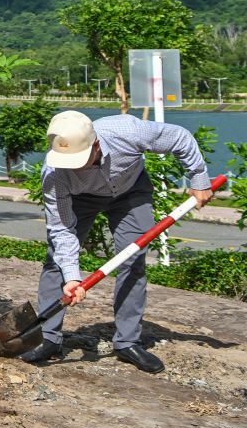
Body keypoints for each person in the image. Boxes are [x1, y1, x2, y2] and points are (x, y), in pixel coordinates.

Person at [23, 110, 215, 373]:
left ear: (97, 145)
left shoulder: (126, 130)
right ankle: (48, 338)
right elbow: (62, 229)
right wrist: (72, 277)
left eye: (79, 160)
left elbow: (180, 138)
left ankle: (127, 342)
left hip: (130, 191)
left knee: (133, 260)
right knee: (57, 260)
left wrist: (199, 178)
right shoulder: (55, 173)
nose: (73, 167)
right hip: (81, 199)